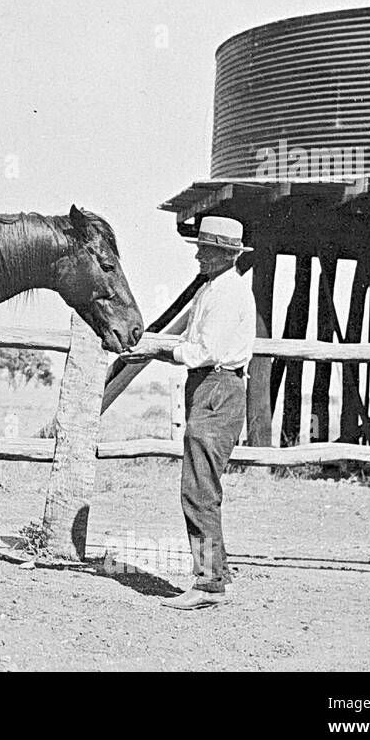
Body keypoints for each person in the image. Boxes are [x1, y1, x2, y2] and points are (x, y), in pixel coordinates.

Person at [119, 215, 256, 610]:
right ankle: (214, 576)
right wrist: (155, 344)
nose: (197, 254)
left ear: (222, 254)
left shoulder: (229, 293)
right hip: (209, 386)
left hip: (217, 387)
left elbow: (201, 352)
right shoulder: (213, 290)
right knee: (201, 488)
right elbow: (190, 340)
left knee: (198, 491)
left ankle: (208, 583)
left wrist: (154, 350)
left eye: (204, 248)